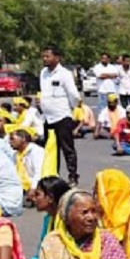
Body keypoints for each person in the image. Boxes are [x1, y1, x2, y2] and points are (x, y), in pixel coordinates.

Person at [39, 44, 81, 185]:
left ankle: (73, 176)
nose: (45, 59)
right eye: (43, 56)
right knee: (51, 149)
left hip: (62, 116)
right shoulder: (43, 73)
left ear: (57, 58)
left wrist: (73, 109)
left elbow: (73, 95)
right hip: (47, 118)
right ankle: (52, 176)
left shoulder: (64, 74)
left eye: (48, 56)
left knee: (67, 148)